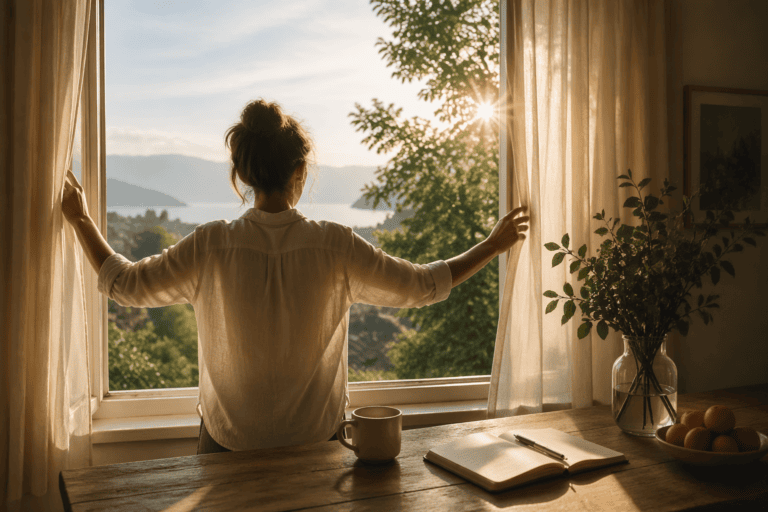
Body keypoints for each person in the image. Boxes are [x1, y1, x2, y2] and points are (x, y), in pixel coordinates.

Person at [61, 99, 528, 455]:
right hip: (317, 449)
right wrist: (494, 243)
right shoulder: (336, 245)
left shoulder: (210, 245)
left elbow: (122, 283)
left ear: (241, 173)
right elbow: (425, 285)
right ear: (300, 171)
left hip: (226, 449)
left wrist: (81, 219)